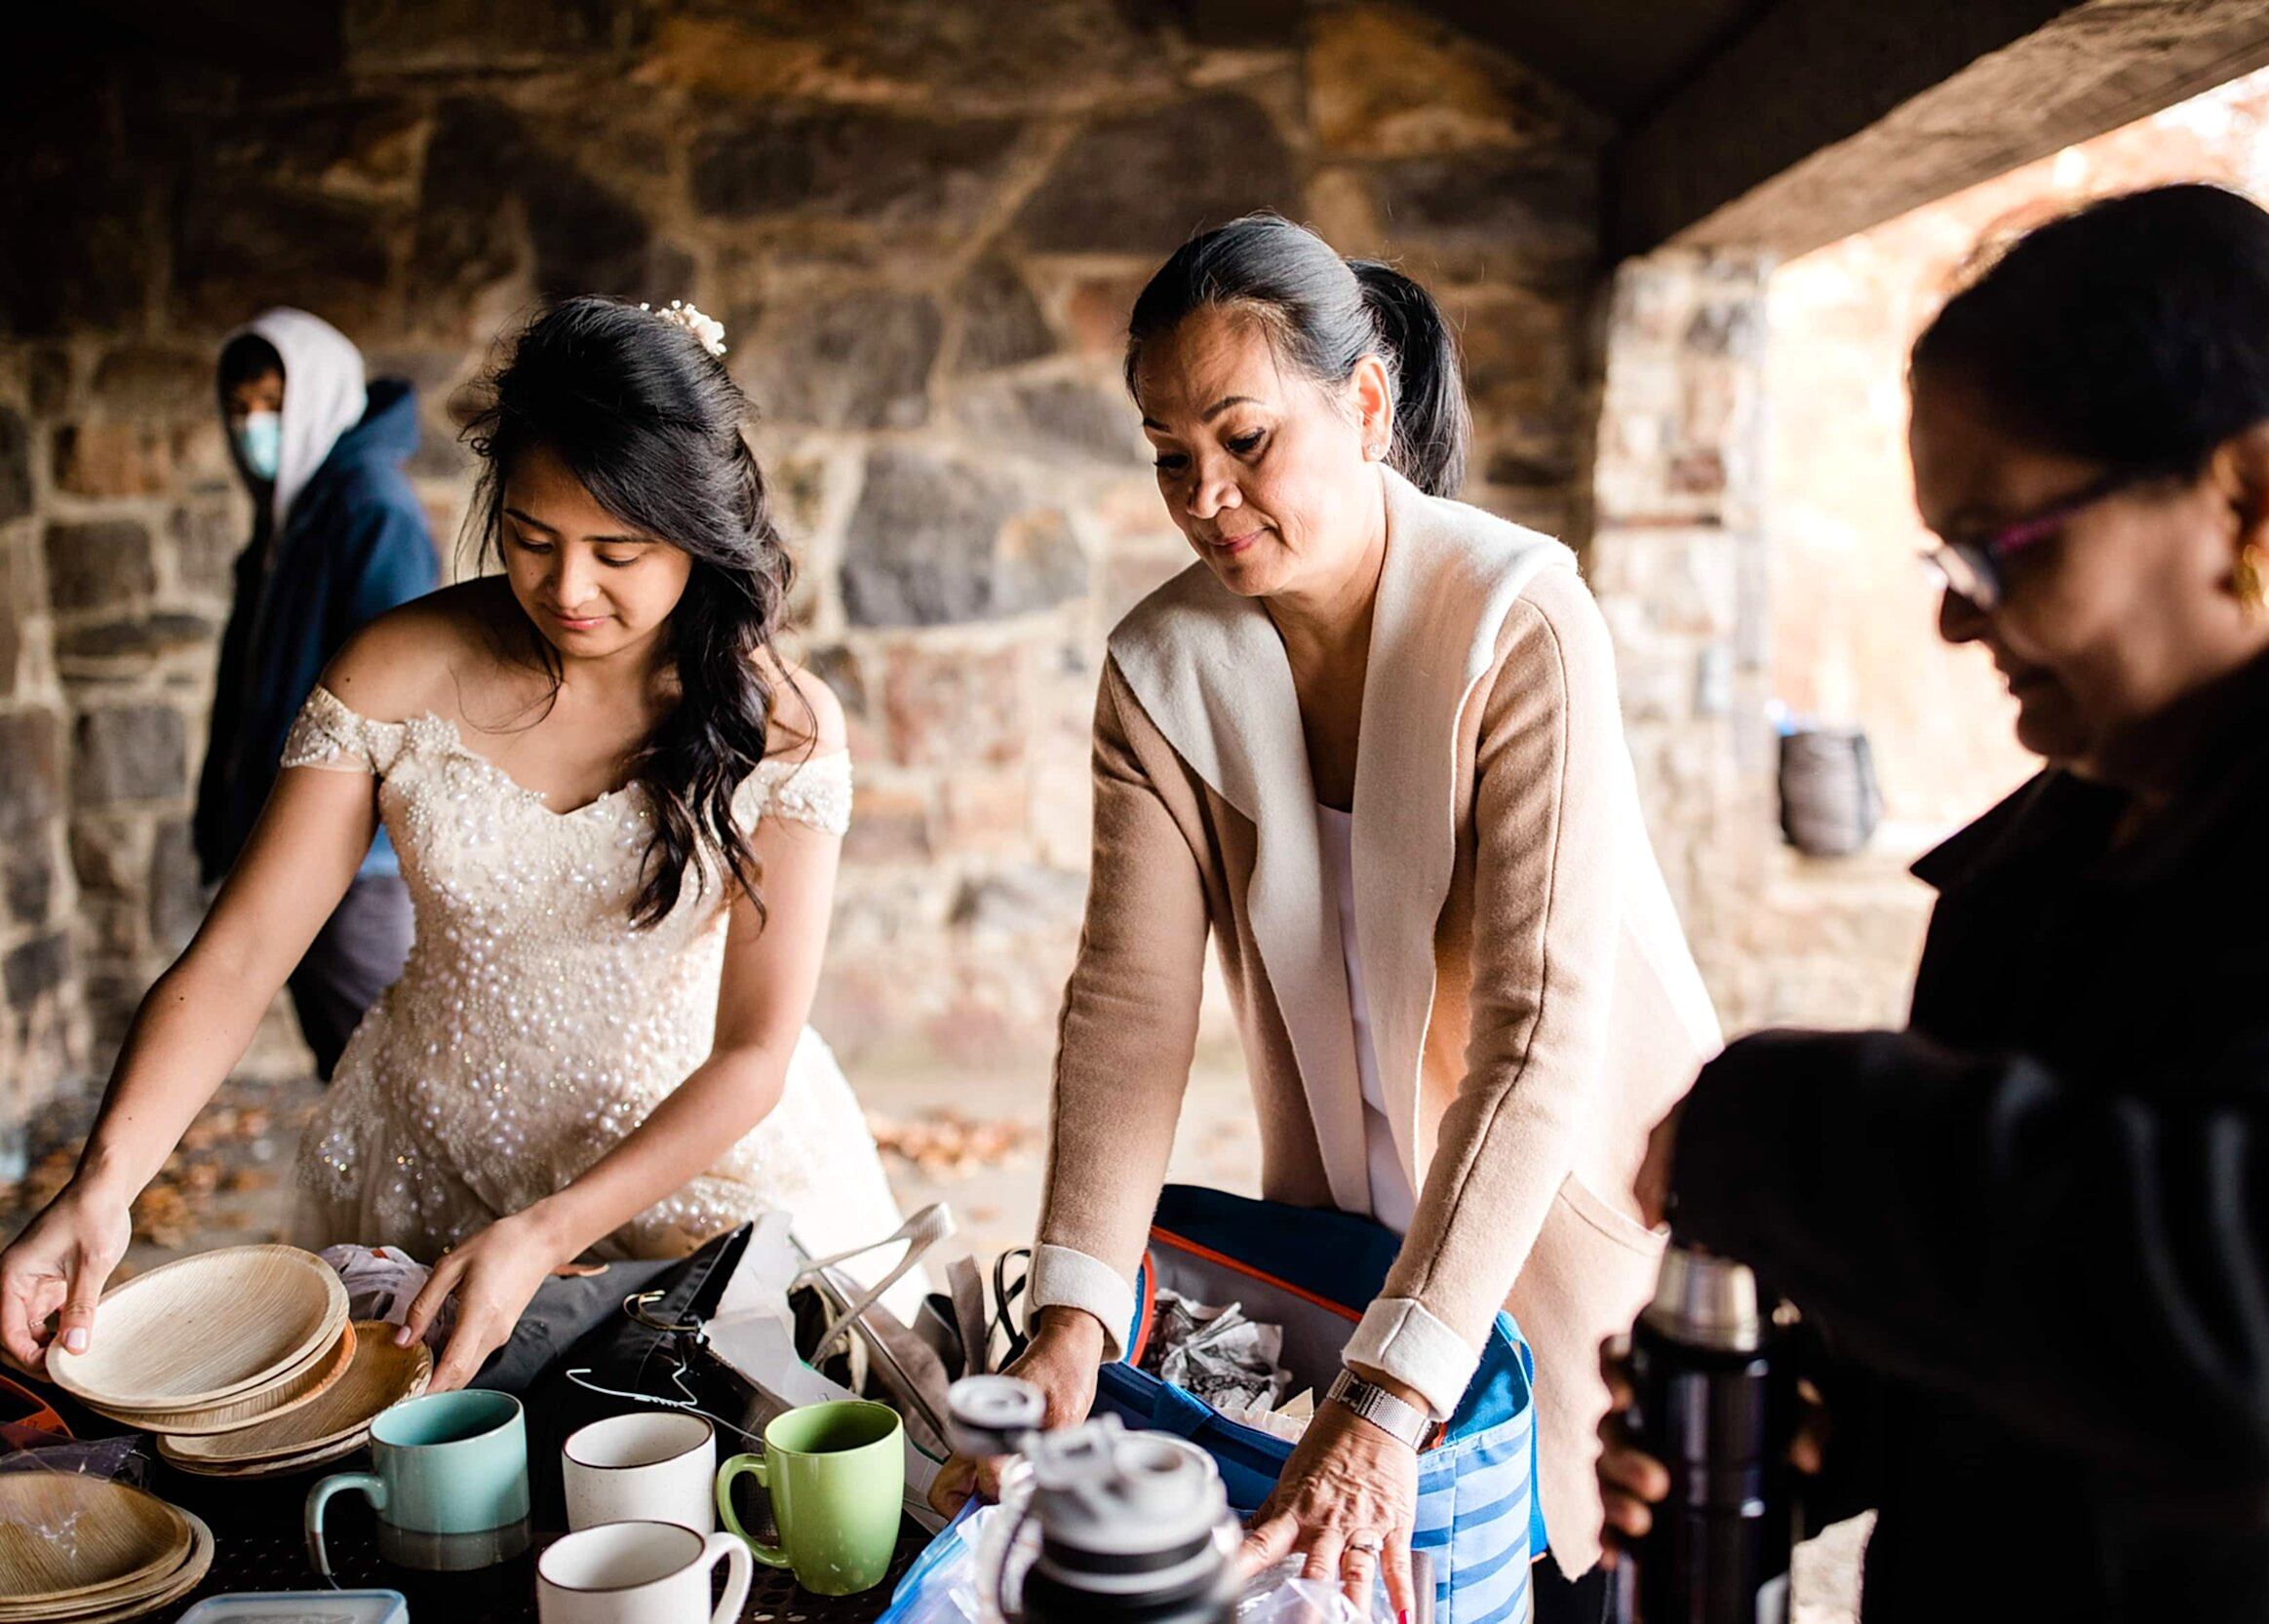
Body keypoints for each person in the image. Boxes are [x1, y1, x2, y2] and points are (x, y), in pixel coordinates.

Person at [1603, 184, 2269, 1622]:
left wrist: (1784, 1125)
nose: (1951, 615)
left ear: (2253, 502)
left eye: (1995, 545)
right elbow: (2096, 1298)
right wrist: (1838, 1415)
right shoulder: (2097, 814)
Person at [943, 215, 1720, 1621]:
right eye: (1171, 455)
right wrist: (1072, 1308)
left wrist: (1389, 1393)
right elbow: (1128, 1006)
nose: (1207, 493)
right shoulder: (1159, 668)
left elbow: (1537, 1034)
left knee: (1565, 1568)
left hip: (1559, 1208)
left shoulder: (1520, 621)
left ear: (1366, 406)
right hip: (1347, 1224)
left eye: (1245, 439)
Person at [1, 297, 917, 1391]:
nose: (567, 590)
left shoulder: (785, 727)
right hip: (429, 1157)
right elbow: (240, 959)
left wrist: (546, 1232)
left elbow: (754, 1051)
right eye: (532, 539)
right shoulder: (396, 669)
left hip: (696, 1169)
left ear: (698, 531)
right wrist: (102, 1185)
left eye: (617, 551)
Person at [198, 309, 439, 1079]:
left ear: (320, 397)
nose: (252, 426)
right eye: (238, 408)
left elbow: (396, 694)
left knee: (387, 1072)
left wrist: (339, 842)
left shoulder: (368, 509)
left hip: (347, 858)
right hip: (290, 840)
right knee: (343, 1069)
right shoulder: (289, 518)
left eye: (272, 403)